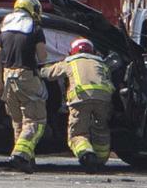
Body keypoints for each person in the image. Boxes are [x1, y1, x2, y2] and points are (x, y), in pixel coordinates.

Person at [41, 37, 115, 170]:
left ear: (72, 52)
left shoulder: (70, 62)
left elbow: (48, 74)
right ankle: (101, 160)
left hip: (80, 100)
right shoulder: (101, 63)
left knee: (77, 134)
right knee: (101, 129)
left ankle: (87, 155)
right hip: (103, 99)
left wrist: (39, 68)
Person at [0, 0, 48, 171]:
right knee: (36, 120)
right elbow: (42, 57)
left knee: (18, 122)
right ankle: (20, 154)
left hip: (7, 78)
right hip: (26, 77)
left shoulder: (5, 30)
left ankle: (25, 161)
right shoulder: (35, 29)